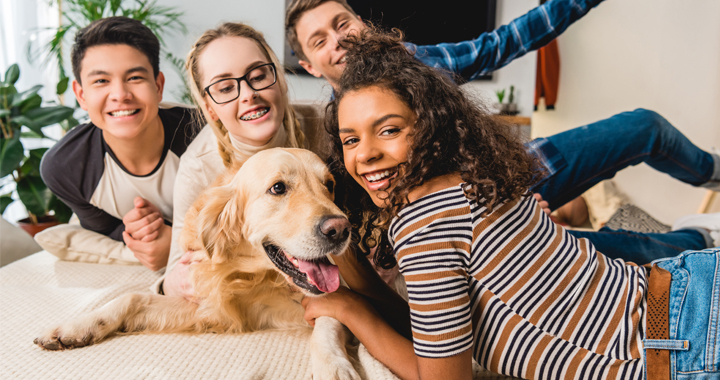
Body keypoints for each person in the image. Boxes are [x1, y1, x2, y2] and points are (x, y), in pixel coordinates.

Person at [303, 29, 720, 380]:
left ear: (428, 127)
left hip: (683, 340)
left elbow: (441, 376)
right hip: (686, 291)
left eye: (388, 130)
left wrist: (351, 309)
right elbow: (437, 330)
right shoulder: (471, 176)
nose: (366, 154)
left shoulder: (423, 224)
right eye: (351, 139)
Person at [285, 0, 720, 262]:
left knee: (643, 126)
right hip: (469, 222)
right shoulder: (339, 136)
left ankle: (712, 171)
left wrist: (508, 196)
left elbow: (506, 41)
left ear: (361, 21)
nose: (337, 40)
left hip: (512, 172)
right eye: (319, 40)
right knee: (612, 248)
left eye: (342, 23)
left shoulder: (423, 62)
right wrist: (509, 216)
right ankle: (702, 240)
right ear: (309, 65)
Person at [157, 22, 305, 297]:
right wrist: (178, 281)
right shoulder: (198, 168)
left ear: (280, 79)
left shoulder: (328, 126)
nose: (248, 94)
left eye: (259, 76)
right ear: (210, 108)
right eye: (225, 88)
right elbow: (174, 274)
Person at [41, 17, 198, 271]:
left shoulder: (203, 134)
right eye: (101, 81)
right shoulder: (65, 167)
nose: (120, 95)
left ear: (158, 86)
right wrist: (136, 232)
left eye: (134, 77)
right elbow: (107, 229)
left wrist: (177, 241)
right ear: (81, 95)